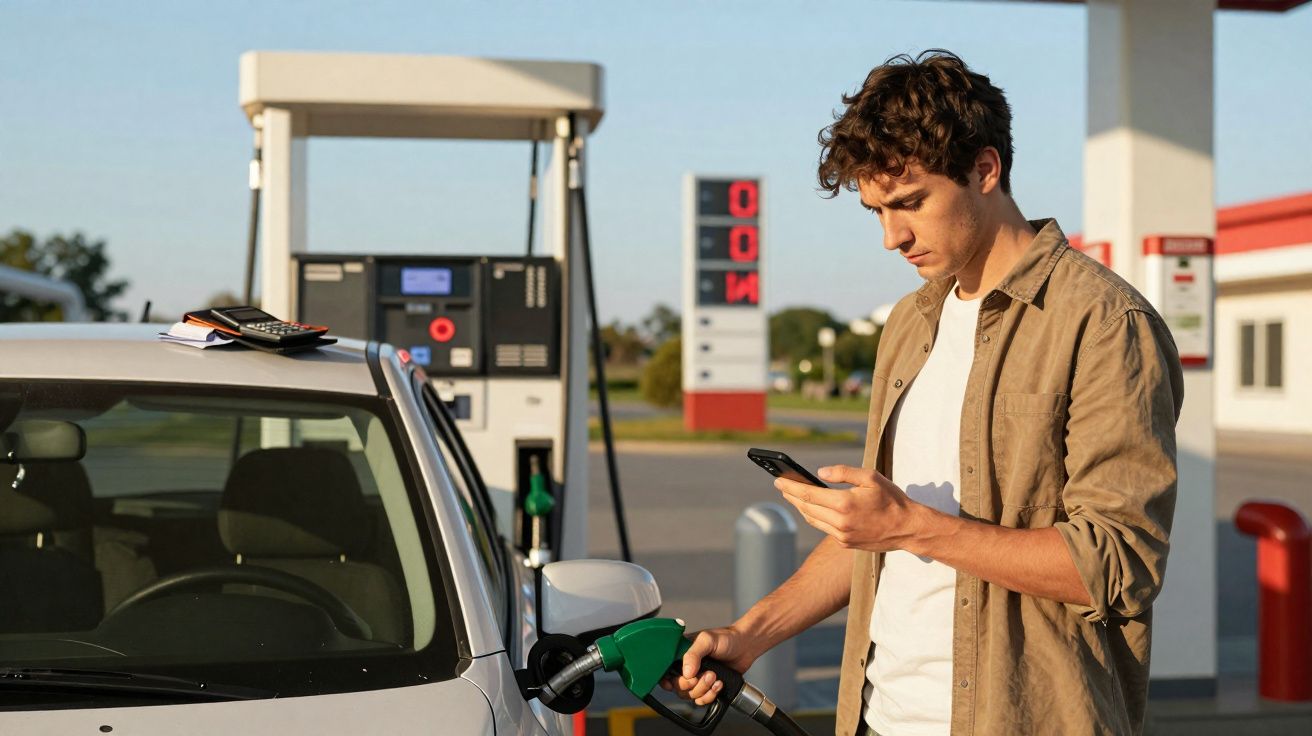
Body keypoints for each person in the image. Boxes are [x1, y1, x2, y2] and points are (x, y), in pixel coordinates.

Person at [661, 50, 1184, 736]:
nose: (891, 237)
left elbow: (1117, 567)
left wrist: (910, 526)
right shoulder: (912, 324)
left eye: (909, 203)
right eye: (876, 210)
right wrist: (751, 634)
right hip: (878, 717)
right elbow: (881, 532)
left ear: (985, 169)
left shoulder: (1103, 323)